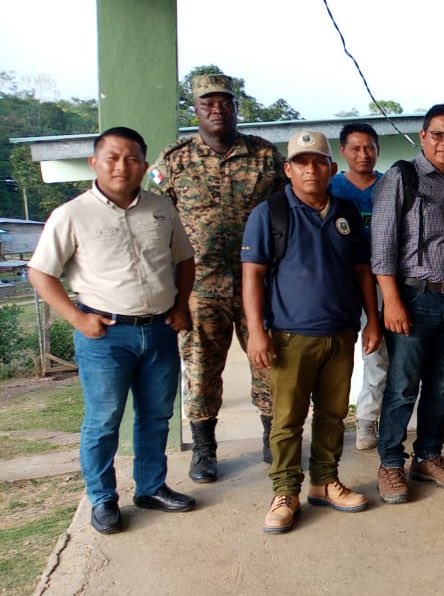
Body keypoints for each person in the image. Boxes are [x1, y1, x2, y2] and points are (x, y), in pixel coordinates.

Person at [29, 127, 197, 534]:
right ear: (94, 163)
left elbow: (184, 260)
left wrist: (180, 307)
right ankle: (103, 499)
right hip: (105, 335)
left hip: (159, 330)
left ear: (144, 164)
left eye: (132, 158)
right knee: (104, 420)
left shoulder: (161, 209)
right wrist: (77, 318)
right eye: (113, 157)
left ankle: (151, 488)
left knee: (156, 416)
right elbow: (40, 273)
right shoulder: (71, 214)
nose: (123, 166)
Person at [242, 130, 382, 533]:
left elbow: (362, 270)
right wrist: (256, 332)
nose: (310, 170)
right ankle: (285, 492)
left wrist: (372, 320)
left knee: (333, 414)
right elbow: (252, 276)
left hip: (340, 332)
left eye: (318, 162)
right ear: (288, 169)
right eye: (301, 163)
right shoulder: (270, 213)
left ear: (331, 168)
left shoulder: (345, 212)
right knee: (287, 419)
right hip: (290, 335)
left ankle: (324, 481)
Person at [149, 74, 287, 483]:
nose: (217, 109)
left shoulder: (264, 156)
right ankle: (204, 449)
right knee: (201, 370)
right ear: (195, 109)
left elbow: (287, 212)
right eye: (207, 103)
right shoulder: (173, 160)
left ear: (235, 108)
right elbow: (155, 222)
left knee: (270, 362)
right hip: (199, 287)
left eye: (225, 102)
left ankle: (273, 438)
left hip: (259, 284)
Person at [371, 104, 444, 504]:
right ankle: (390, 462)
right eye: (438, 134)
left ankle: (428, 456)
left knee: (441, 387)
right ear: (424, 136)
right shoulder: (402, 177)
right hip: (414, 298)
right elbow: (382, 246)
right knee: (402, 387)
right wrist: (392, 301)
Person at [328, 122, 387, 451]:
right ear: (343, 151)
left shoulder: (389, 185)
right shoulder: (331, 187)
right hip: (338, 282)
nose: (363, 154)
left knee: (376, 353)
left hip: (381, 282)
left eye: (369, 148)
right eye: (355, 148)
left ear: (378, 150)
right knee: (332, 354)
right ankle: (329, 420)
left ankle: (366, 419)